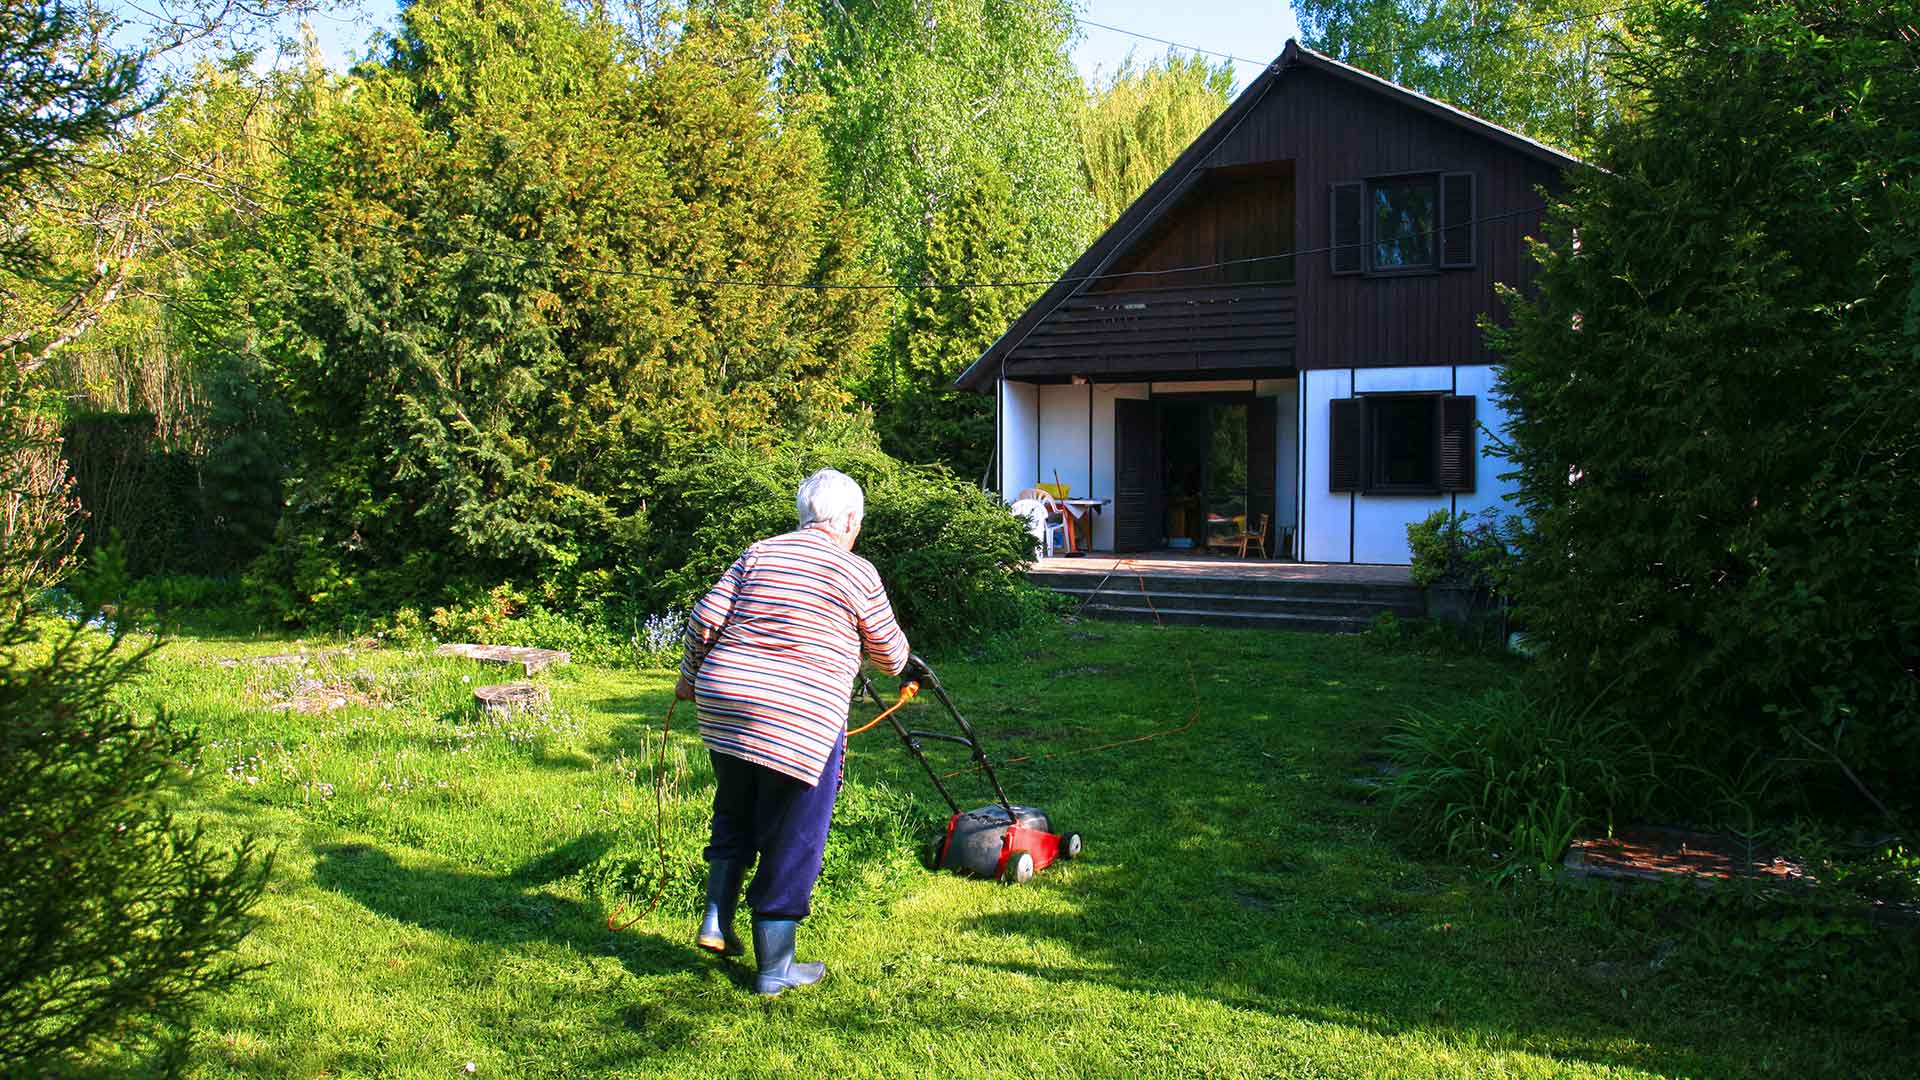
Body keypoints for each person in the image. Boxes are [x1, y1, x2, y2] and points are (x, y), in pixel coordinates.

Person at [674, 468, 911, 996]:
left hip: (727, 704)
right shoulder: (856, 571)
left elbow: (704, 619)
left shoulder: (758, 552)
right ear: (849, 520)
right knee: (795, 836)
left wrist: (688, 679)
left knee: (735, 808)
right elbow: (892, 656)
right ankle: (774, 969)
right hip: (799, 717)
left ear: (805, 515)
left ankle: (716, 919)